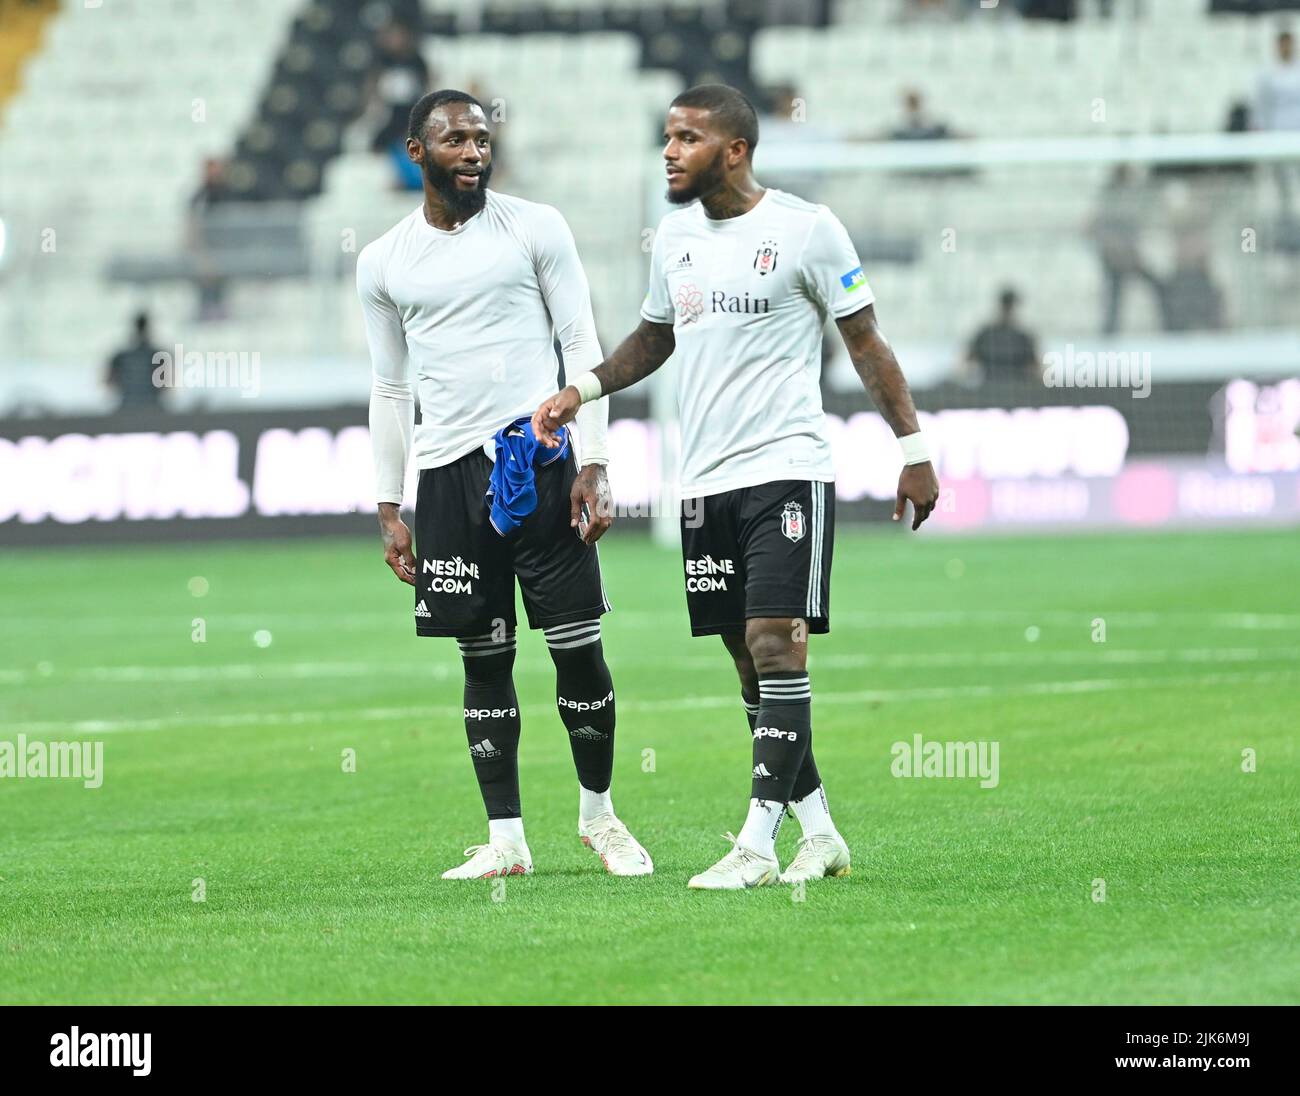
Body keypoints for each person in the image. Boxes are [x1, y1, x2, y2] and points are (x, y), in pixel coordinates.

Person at [531, 85, 939, 891]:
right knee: (749, 666)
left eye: (687, 137)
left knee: (774, 641)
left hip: (787, 469)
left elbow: (866, 343)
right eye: (667, 136)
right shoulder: (675, 238)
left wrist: (914, 449)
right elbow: (654, 339)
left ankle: (755, 844)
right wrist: (582, 389)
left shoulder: (806, 229)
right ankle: (819, 832)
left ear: (735, 150)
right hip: (706, 481)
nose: (669, 150)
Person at [356, 89, 651, 880]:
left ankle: (600, 817)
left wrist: (596, 461)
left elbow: (581, 342)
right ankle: (507, 840)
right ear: (416, 152)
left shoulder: (536, 227)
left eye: (483, 139)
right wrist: (391, 505)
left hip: (540, 462)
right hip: (449, 479)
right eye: (455, 140)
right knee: (482, 659)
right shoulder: (383, 261)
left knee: (578, 651)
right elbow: (391, 389)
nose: (474, 152)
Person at [1254, 29, 1300, 212]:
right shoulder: (1268, 73)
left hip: (1298, 131)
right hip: (1278, 133)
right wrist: (1262, 131)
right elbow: (1262, 104)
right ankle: (1285, 216)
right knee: (1282, 183)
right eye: (1283, 44)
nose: (1286, 48)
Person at [965, 288, 1040, 384]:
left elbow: (968, 363)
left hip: (996, 388)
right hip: (1004, 389)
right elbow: (968, 363)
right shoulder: (1022, 337)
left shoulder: (986, 334)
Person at [105, 312, 164, 412]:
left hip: (127, 408)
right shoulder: (158, 356)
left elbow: (109, 381)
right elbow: (165, 386)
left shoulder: (120, 356)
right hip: (152, 409)